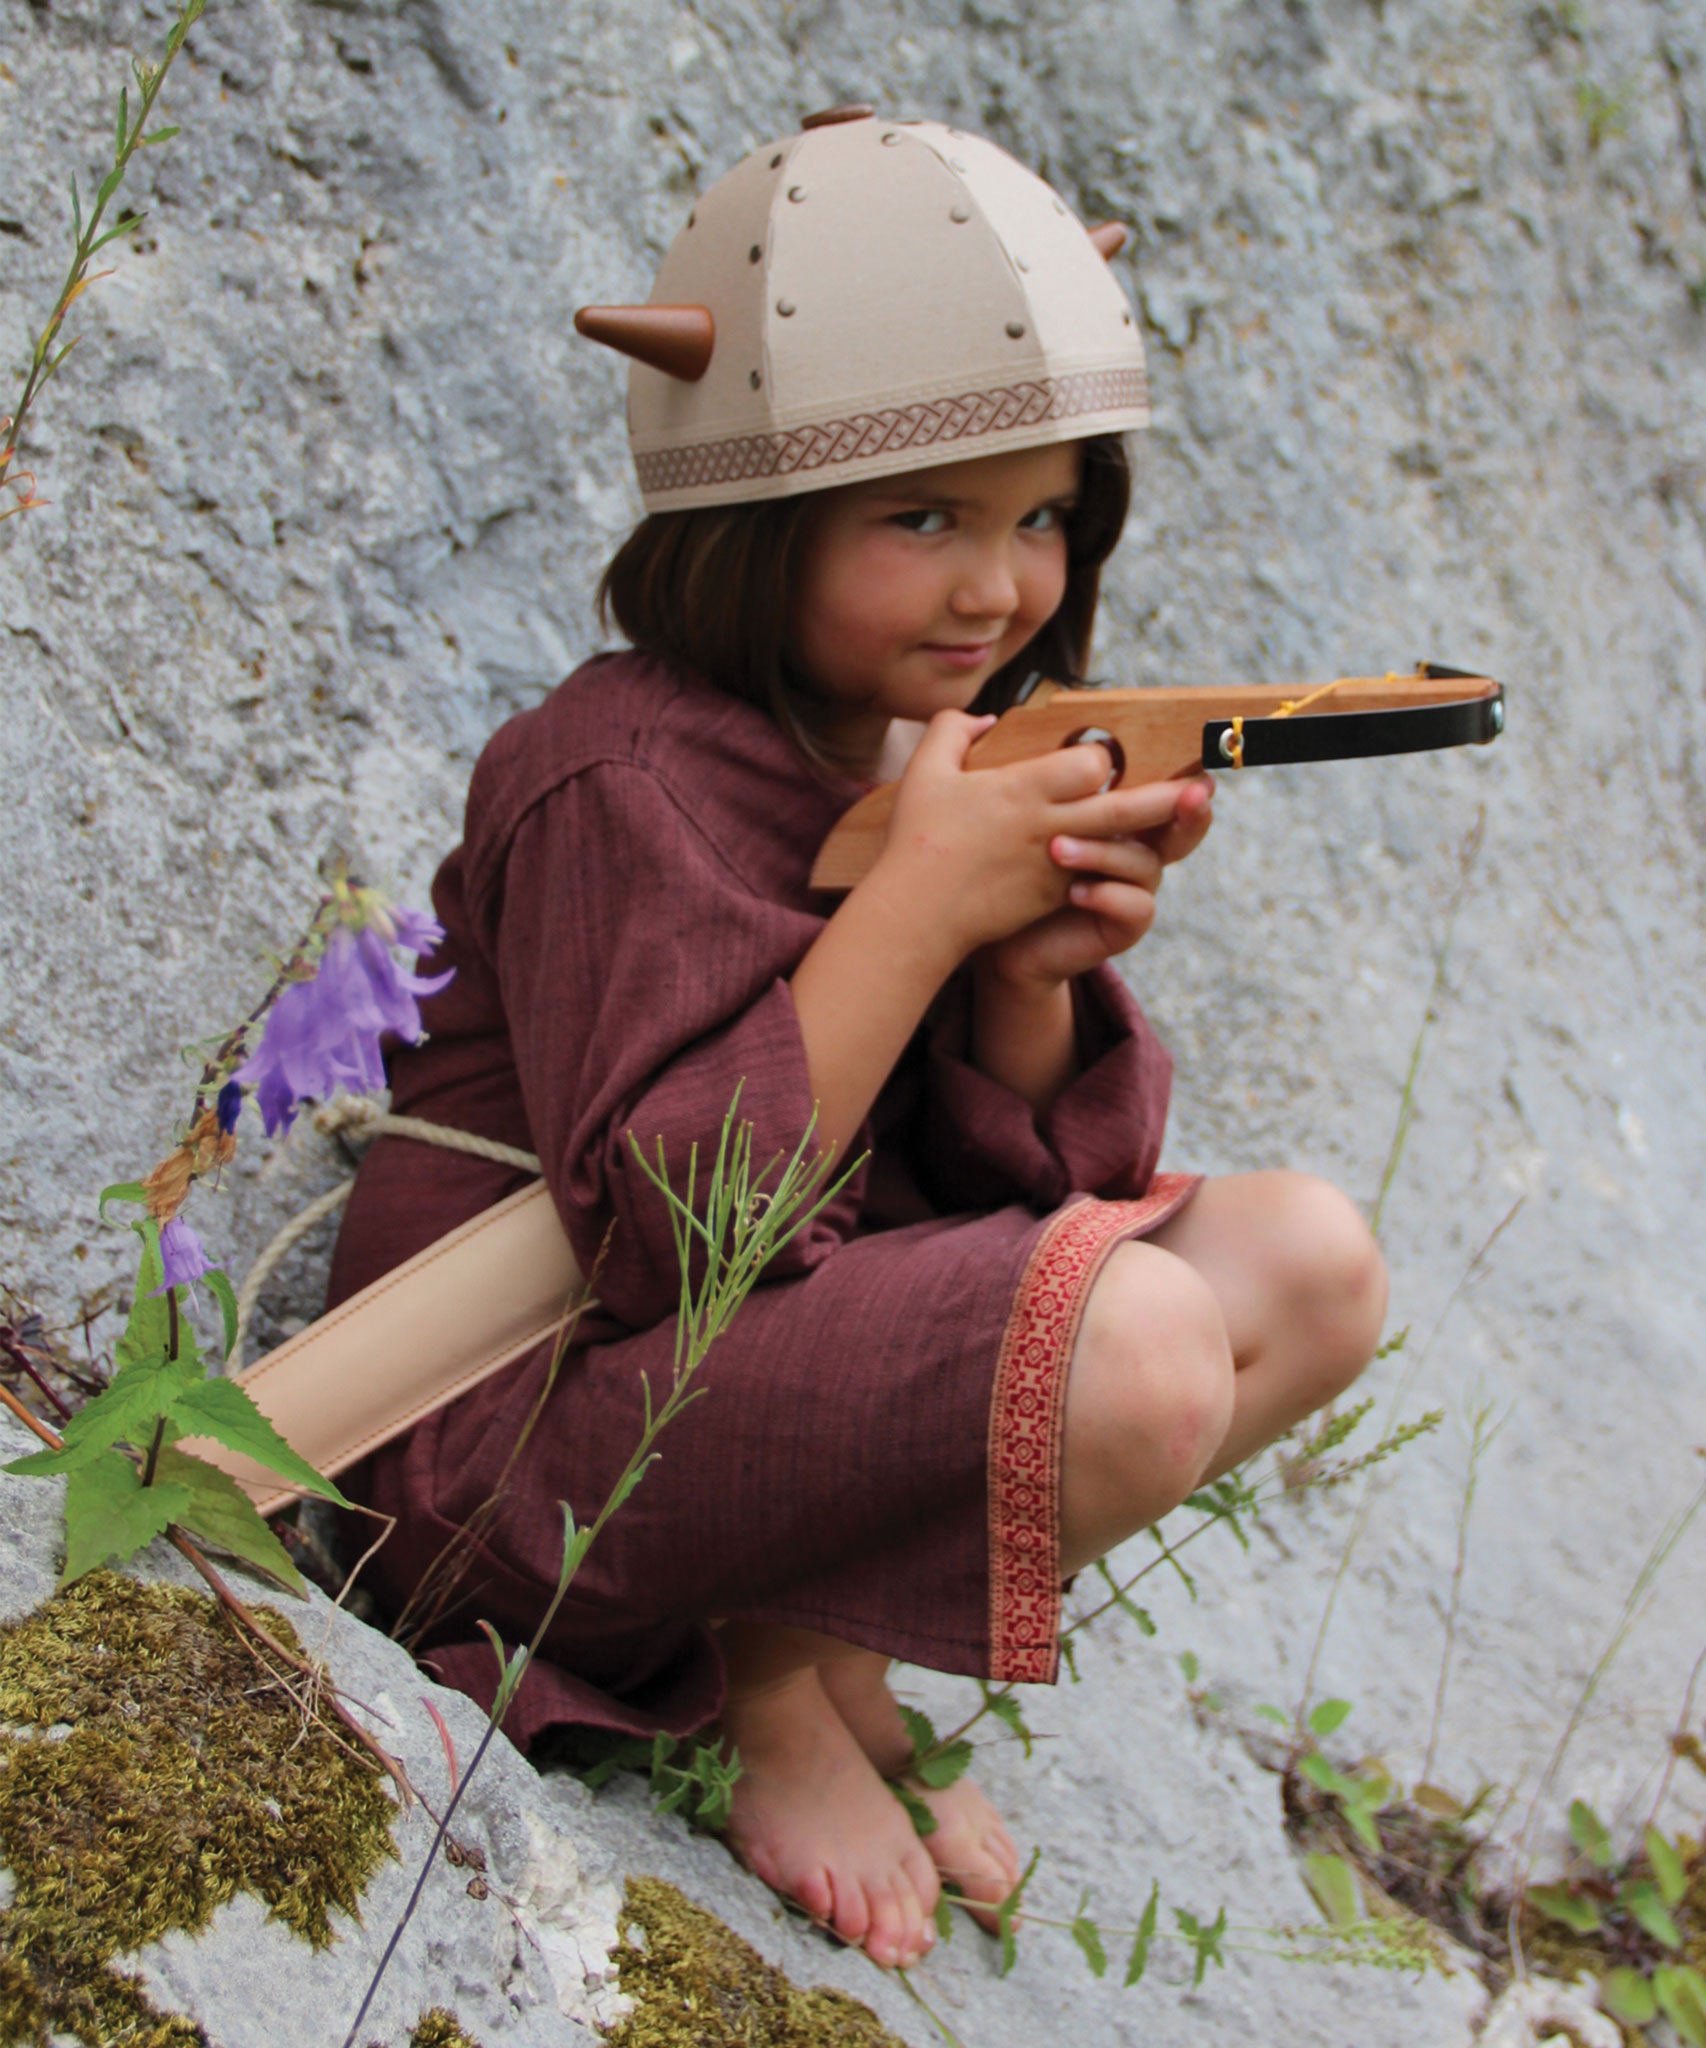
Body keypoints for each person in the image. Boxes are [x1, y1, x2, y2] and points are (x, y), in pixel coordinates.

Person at [327, 108, 1387, 1973]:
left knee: (1304, 1266)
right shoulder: (609, 773)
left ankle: (816, 1648)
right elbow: (668, 1243)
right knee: (1134, 1353)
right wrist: (911, 906)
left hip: (745, 1405)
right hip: (507, 1446)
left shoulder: (931, 745)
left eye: (1043, 515)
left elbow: (1036, 1203)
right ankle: (773, 1689)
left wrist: (1025, 972)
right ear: (751, 521)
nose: (998, 589)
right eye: (924, 520)